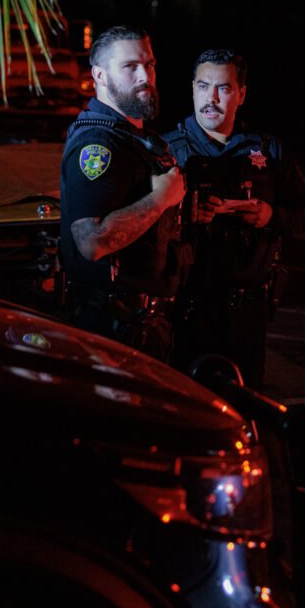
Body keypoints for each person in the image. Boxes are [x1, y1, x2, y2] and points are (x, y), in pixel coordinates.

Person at [163, 49, 305, 387]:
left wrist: (270, 216)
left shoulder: (267, 151)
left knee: (245, 406)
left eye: (224, 89)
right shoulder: (167, 150)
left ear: (242, 94)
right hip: (184, 310)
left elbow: (303, 213)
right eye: (203, 86)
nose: (211, 98)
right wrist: (185, 218)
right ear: (192, 88)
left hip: (246, 313)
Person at [59, 25, 188, 358]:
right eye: (130, 66)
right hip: (110, 328)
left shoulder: (137, 138)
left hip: (144, 322)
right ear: (100, 75)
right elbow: (92, 243)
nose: (145, 75)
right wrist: (161, 199)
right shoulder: (97, 144)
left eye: (150, 64)